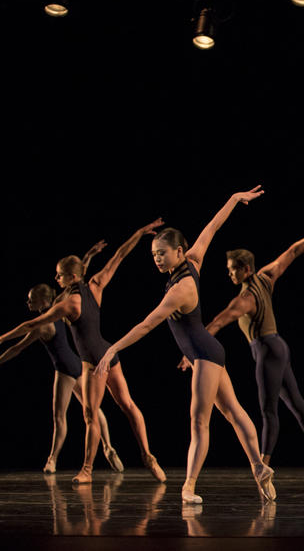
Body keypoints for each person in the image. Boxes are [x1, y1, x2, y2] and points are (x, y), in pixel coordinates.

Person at [95, 187, 275, 504]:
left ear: (179, 251)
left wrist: (113, 349)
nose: (157, 260)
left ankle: (188, 487)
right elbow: (212, 227)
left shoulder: (180, 288)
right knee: (233, 412)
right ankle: (260, 469)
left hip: (205, 355)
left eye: (162, 254)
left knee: (200, 421)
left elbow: (147, 324)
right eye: (153, 256)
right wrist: (233, 198)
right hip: (205, 352)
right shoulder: (193, 260)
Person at [3, 220, 168, 484]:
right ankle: (148, 457)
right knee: (127, 405)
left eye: (59, 274)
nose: (55, 278)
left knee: (91, 416)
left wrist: (2, 336)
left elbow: (32, 324)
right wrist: (137, 233)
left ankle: (87, 471)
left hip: (93, 362)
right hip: (109, 352)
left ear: (71, 277)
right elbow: (118, 257)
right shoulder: (94, 285)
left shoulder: (67, 304)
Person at [183, 224, 304, 477]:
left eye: (233, 269)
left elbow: (217, 322)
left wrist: (191, 349)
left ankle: (262, 465)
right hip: (279, 346)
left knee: (269, 411)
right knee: (295, 401)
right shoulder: (267, 277)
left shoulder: (245, 299)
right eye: (228, 270)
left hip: (266, 350)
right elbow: (292, 251)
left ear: (246, 269)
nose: (230, 274)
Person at [0, 242, 122, 474]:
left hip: (65, 371)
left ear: (43, 302)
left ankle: (52, 459)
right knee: (92, 410)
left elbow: (19, 346)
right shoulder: (62, 302)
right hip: (77, 364)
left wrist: (2, 342)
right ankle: (108, 446)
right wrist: (88, 255)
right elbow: (78, 277)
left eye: (31, 300)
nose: (28, 304)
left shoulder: (44, 324)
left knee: (59, 417)